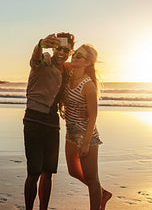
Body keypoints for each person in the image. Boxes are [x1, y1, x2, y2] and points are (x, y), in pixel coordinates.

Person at [23, 33, 75, 210]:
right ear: (53, 48)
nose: (61, 52)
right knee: (34, 171)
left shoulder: (67, 71)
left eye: (66, 49)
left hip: (53, 123)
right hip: (34, 120)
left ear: (70, 51)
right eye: (58, 48)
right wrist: (40, 45)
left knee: (49, 172)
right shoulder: (45, 59)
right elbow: (35, 59)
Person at [60, 44, 111, 210]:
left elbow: (93, 116)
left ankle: (98, 200)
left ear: (88, 63)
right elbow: (59, 62)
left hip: (87, 136)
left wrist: (86, 143)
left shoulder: (88, 85)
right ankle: (102, 193)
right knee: (73, 172)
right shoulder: (69, 73)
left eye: (79, 56)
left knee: (91, 179)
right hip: (71, 134)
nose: (74, 56)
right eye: (75, 53)